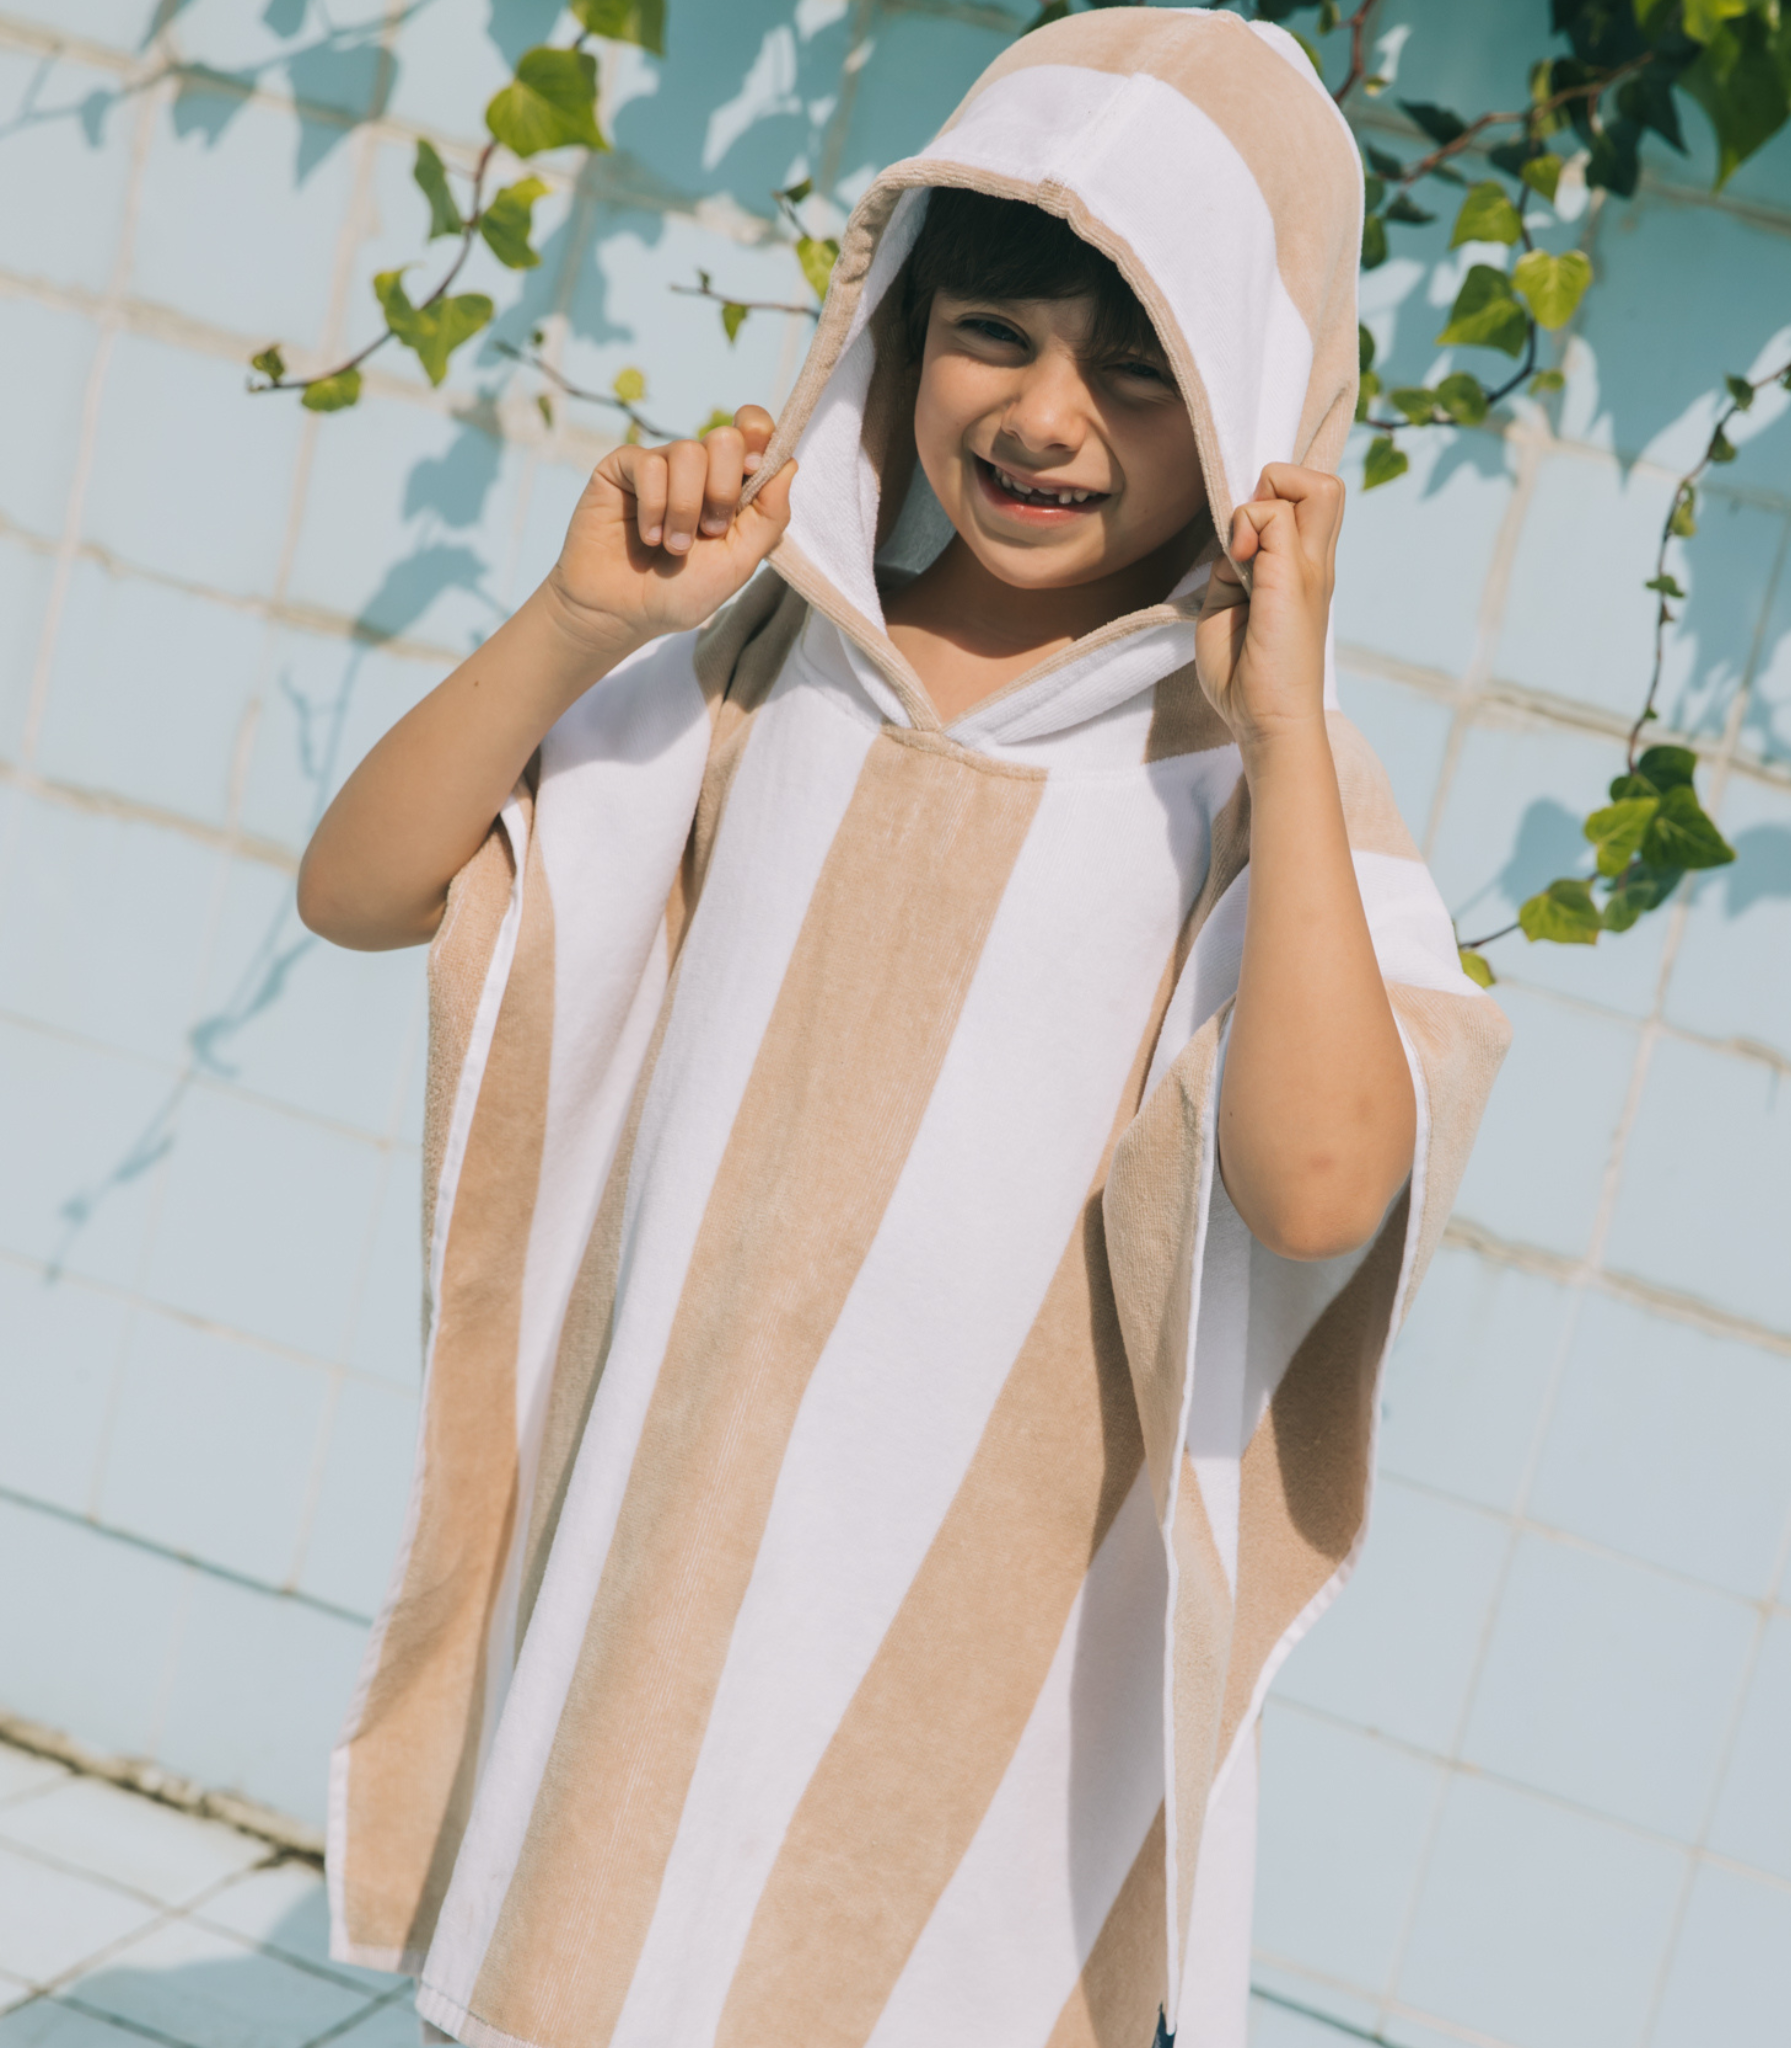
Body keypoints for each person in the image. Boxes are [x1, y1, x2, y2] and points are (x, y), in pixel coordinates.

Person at [302, 11, 1508, 2047]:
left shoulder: (1245, 788)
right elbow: (365, 888)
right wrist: (582, 623)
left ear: (1252, 409)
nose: (1050, 415)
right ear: (896, 323)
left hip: (970, 1675)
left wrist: (1290, 738)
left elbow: (1314, 1184)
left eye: (1142, 365)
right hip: (650, 1588)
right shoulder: (768, 654)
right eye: (998, 333)